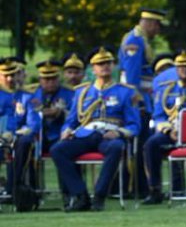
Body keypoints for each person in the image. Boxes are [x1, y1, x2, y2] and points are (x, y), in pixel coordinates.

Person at [49, 47, 141, 212]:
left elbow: (134, 125)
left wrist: (119, 133)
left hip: (109, 135)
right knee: (57, 150)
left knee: (116, 147)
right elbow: (71, 120)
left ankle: (99, 196)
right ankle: (80, 195)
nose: (104, 66)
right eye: (100, 64)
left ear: (113, 66)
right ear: (93, 69)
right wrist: (66, 130)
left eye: (108, 63)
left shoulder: (126, 92)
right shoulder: (82, 92)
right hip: (85, 134)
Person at [141, 51, 186, 204]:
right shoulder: (166, 90)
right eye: (181, 67)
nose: (185, 70)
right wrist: (168, 130)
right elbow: (158, 116)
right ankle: (155, 190)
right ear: (176, 69)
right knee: (151, 144)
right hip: (172, 132)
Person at [10, 60, 72, 202]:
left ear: (59, 78)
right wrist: (43, 113)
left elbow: (75, 115)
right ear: (40, 79)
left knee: (63, 150)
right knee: (26, 148)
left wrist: (61, 113)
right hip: (37, 136)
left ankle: (68, 194)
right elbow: (24, 116)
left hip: (59, 136)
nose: (50, 82)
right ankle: (29, 193)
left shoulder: (69, 93)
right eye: (46, 79)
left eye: (53, 78)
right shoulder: (30, 93)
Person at [119, 8, 167, 96]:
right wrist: (133, 93)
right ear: (152, 24)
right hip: (138, 93)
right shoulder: (135, 40)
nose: (158, 31)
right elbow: (132, 70)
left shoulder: (141, 39)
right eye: (158, 26)